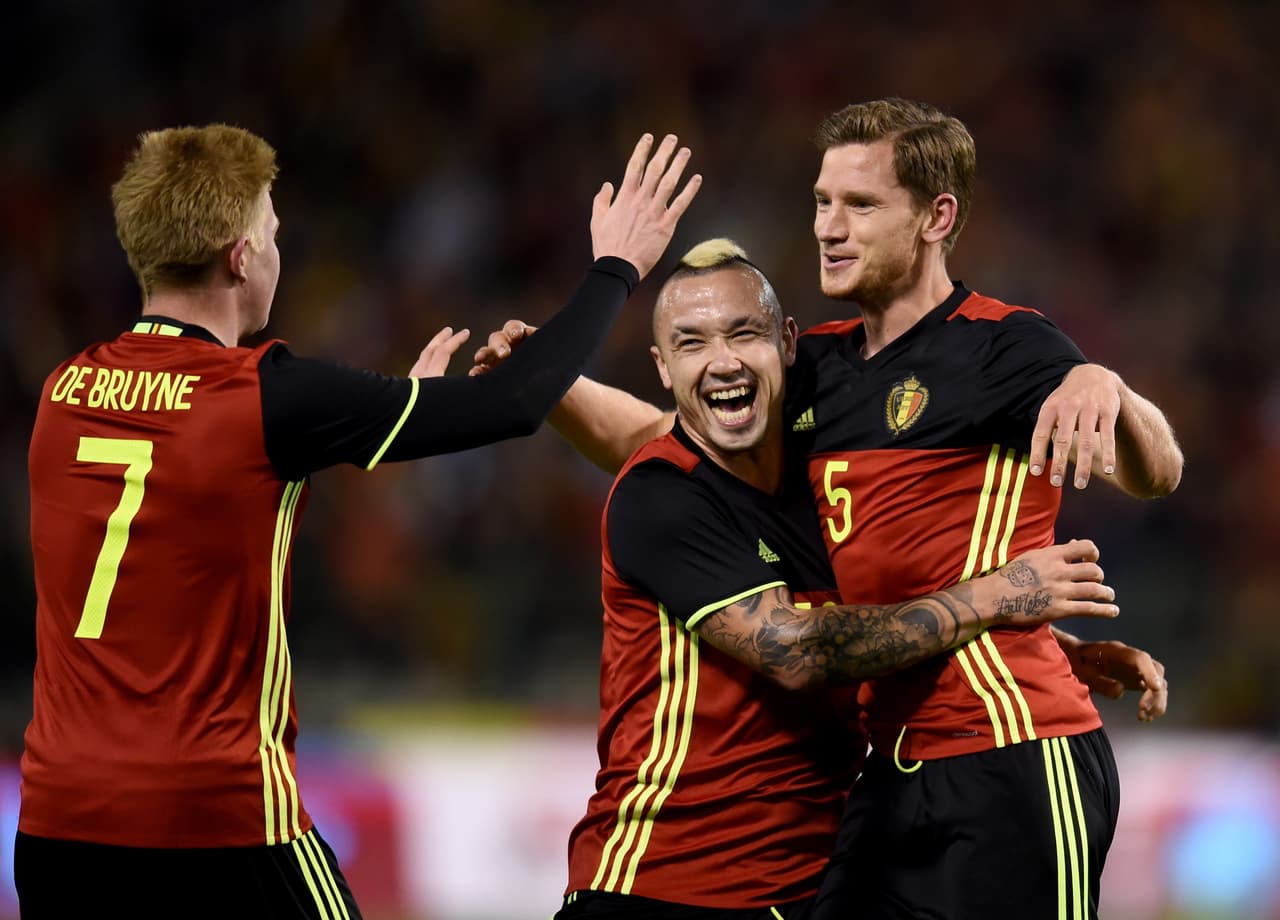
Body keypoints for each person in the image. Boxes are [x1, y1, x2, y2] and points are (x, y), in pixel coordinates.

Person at [475, 99, 1180, 920]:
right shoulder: (814, 365)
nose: (829, 227)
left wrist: (1110, 388)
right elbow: (671, 438)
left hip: (1013, 758)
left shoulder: (1004, 345)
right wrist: (549, 381)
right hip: (886, 775)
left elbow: (1158, 471)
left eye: (860, 205)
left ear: (935, 217)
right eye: (821, 202)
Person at [16, 124, 700, 920]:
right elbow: (513, 404)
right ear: (240, 257)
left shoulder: (62, 391)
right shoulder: (264, 395)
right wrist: (618, 267)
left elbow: (186, 495)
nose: (277, 250)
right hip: (214, 819)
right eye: (271, 233)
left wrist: (387, 416)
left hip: (56, 825)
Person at [546, 238, 1127, 920]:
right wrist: (995, 597)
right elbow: (798, 649)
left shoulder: (825, 486)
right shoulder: (661, 495)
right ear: (664, 368)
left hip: (805, 885)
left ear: (787, 344)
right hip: (664, 887)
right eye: (693, 344)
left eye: (743, 334)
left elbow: (882, 611)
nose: (723, 361)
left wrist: (1046, 648)